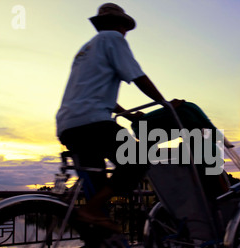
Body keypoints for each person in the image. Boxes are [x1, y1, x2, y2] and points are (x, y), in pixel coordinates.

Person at [56, 3, 183, 233]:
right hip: (93, 123)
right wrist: (165, 104)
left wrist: (125, 114)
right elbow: (138, 76)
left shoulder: (87, 49)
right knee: (138, 160)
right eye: (124, 27)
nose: (125, 32)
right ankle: (91, 210)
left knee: (99, 186)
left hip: (69, 125)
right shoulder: (113, 39)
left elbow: (94, 91)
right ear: (119, 24)